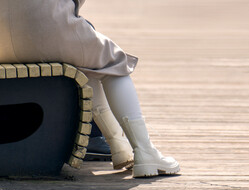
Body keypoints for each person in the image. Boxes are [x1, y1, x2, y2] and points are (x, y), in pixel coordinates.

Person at [0, 0, 180, 177]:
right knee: (114, 62)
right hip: (44, 28)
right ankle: (145, 150)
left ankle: (119, 145)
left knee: (87, 60)